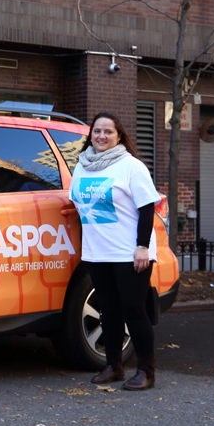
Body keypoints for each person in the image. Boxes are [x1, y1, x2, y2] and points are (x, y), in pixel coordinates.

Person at [69, 111, 161, 391]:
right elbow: (77, 204)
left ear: (119, 136)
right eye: (97, 131)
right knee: (108, 311)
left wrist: (142, 247)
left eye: (108, 132)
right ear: (91, 135)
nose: (102, 136)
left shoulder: (130, 166)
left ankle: (146, 371)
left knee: (133, 310)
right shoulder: (83, 166)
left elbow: (147, 207)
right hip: (98, 252)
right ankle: (114, 367)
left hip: (130, 251)